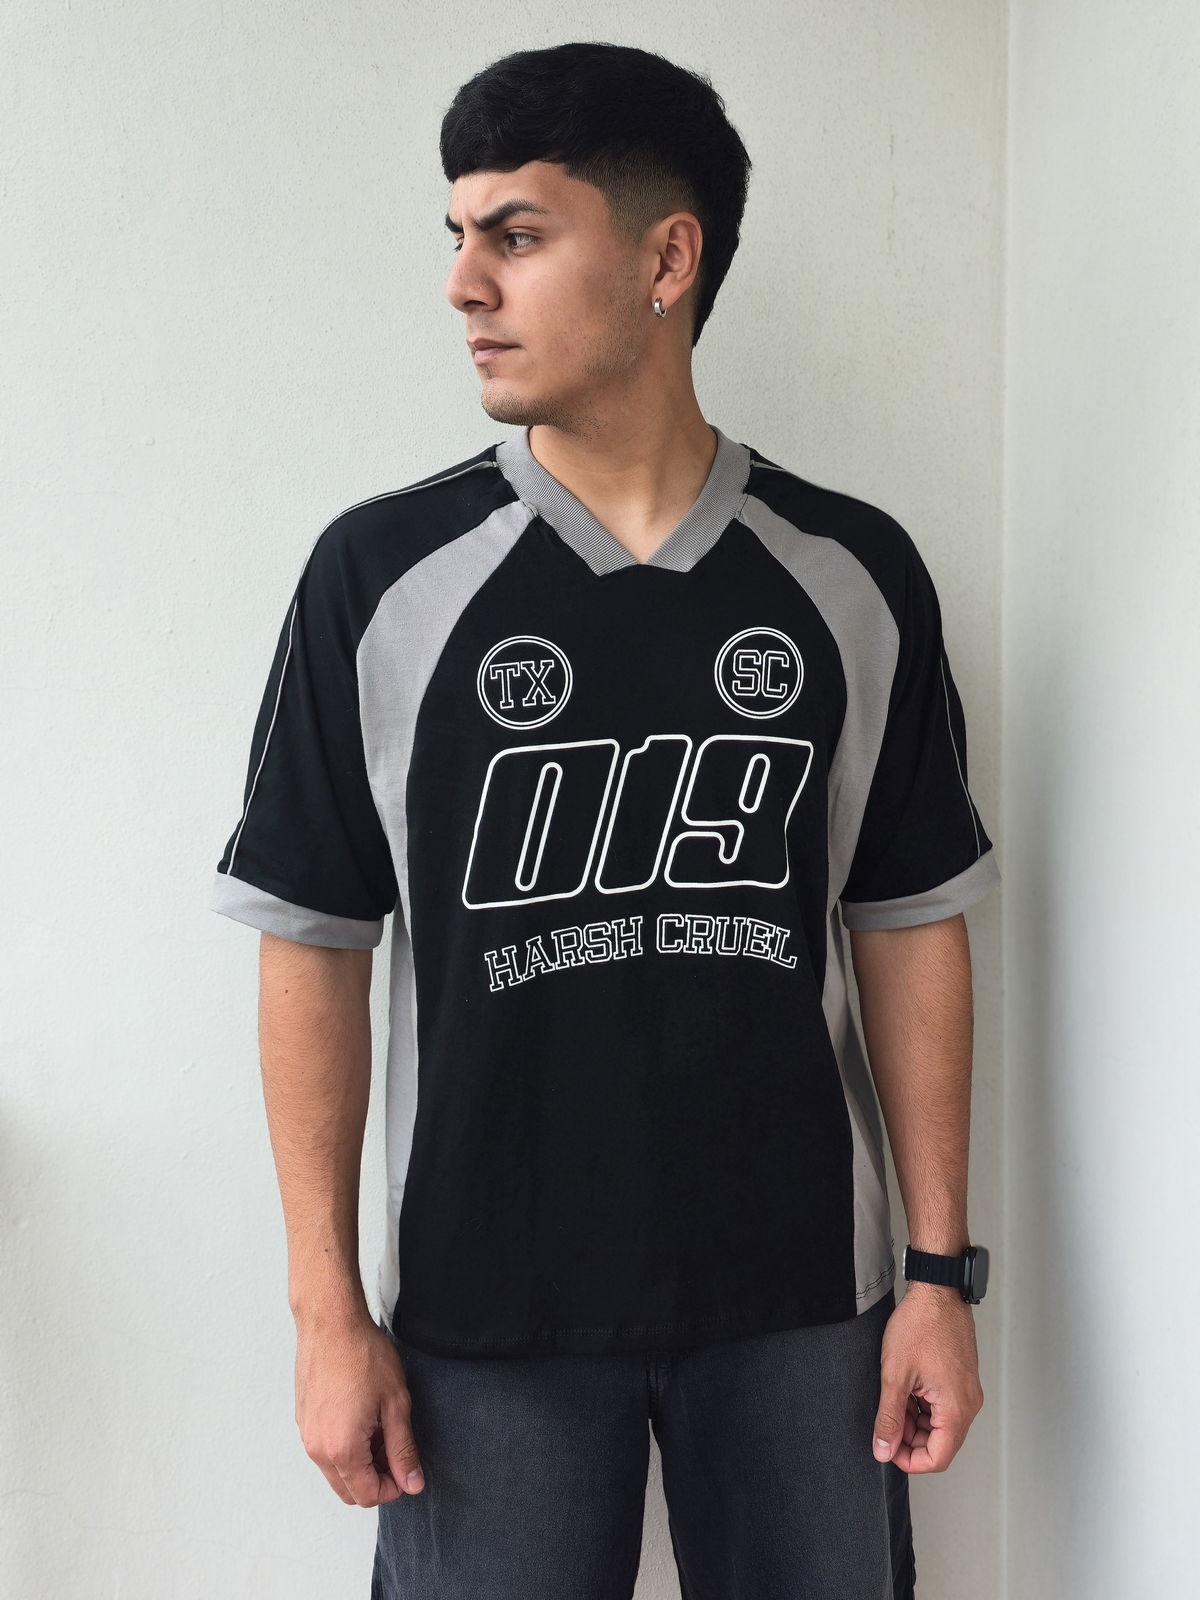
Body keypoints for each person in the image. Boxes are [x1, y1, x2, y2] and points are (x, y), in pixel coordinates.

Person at [210, 40, 1000, 1600]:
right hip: (480, 1314)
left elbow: (909, 922)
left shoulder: (852, 573)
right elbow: (313, 942)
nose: (462, 284)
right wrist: (326, 1313)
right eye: (458, 236)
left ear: (666, 259)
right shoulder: (382, 580)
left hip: (805, 1300)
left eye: (514, 234)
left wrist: (937, 1275)